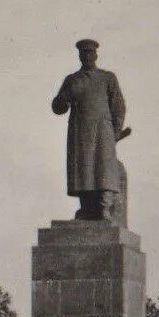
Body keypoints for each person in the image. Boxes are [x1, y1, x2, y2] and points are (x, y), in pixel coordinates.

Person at [52, 39, 130, 223]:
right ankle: (86, 209)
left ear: (96, 54)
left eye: (90, 52)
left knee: (103, 169)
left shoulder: (107, 78)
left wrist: (115, 132)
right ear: (79, 56)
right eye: (83, 53)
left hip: (103, 133)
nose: (87, 56)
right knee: (83, 170)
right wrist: (65, 97)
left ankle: (104, 209)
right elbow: (57, 108)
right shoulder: (72, 80)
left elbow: (118, 106)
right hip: (80, 133)